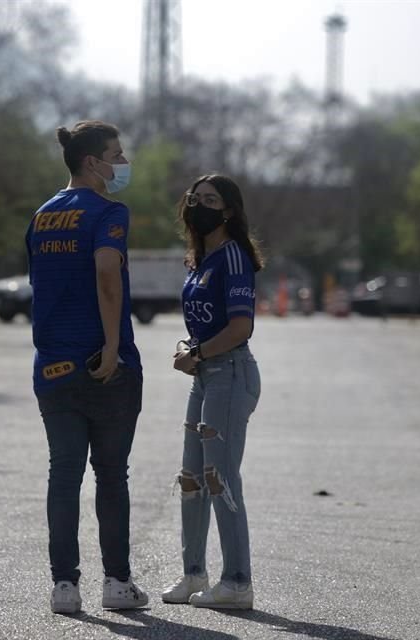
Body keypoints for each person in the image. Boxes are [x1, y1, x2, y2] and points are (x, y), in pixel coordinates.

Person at [26, 120, 148, 615]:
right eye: (116, 155)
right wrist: (114, 345)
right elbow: (106, 274)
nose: (122, 164)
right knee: (112, 476)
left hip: (52, 366)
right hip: (104, 366)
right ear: (92, 163)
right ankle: (117, 584)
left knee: (64, 474)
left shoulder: (41, 216)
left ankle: (64, 587)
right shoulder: (108, 212)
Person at [161, 174, 263, 609]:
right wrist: (191, 349)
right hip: (205, 376)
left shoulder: (234, 258)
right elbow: (206, 323)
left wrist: (199, 352)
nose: (199, 205)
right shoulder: (199, 259)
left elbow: (241, 327)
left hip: (230, 374)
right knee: (191, 480)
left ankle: (238, 582)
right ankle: (193, 575)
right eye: (194, 198)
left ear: (228, 211)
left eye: (210, 200)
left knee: (220, 479)